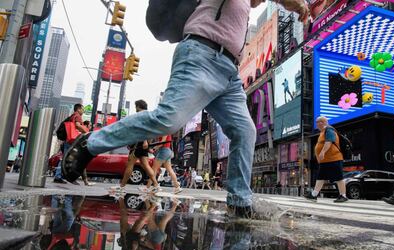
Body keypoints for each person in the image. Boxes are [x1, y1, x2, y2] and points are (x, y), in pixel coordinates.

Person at [62, 0, 309, 218]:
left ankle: (239, 202)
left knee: (245, 131)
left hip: (230, 74)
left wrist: (299, 6)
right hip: (201, 55)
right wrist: (299, 5)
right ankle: (90, 143)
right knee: (168, 119)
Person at [118, 100, 160, 192]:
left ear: (138, 106)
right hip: (143, 143)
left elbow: (143, 129)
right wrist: (147, 143)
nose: (135, 109)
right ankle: (156, 185)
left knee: (130, 164)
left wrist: (144, 141)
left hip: (138, 143)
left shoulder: (141, 115)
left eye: (136, 106)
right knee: (145, 165)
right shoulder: (149, 116)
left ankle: (122, 186)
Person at [304, 116, 348, 203]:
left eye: (318, 122)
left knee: (339, 177)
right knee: (320, 177)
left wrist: (322, 152)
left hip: (334, 158)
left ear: (323, 122)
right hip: (326, 161)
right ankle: (314, 195)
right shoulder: (323, 132)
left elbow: (329, 142)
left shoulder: (329, 130)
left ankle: (343, 196)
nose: (317, 124)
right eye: (316, 122)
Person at [54, 104, 89, 185]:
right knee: (71, 159)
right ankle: (63, 177)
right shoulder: (77, 116)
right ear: (79, 109)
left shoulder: (72, 116)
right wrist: (86, 132)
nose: (83, 111)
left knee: (65, 158)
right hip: (72, 141)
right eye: (82, 109)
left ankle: (59, 176)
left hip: (68, 140)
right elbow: (77, 125)